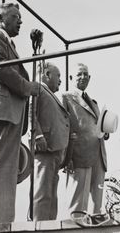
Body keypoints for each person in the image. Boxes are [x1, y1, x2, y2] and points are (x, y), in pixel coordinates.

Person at [0, 3, 40, 224]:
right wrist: (26, 87)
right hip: (2, 112)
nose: (20, 21)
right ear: (1, 17)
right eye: (16, 16)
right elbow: (1, 67)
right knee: (0, 171)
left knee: (7, 172)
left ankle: (4, 223)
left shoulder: (5, 41)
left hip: (9, 113)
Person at [61, 63, 109, 216]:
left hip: (98, 156)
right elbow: (63, 127)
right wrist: (66, 156)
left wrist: (105, 131)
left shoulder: (93, 102)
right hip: (79, 155)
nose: (83, 77)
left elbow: (98, 126)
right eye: (79, 74)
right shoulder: (65, 98)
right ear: (70, 78)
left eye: (86, 74)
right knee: (78, 205)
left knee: (98, 208)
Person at [31, 62, 70, 221]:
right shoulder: (38, 88)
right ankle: (40, 226)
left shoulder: (48, 93)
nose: (60, 80)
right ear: (47, 74)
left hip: (54, 149)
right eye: (58, 76)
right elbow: (30, 112)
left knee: (51, 192)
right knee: (43, 191)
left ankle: (49, 225)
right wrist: (38, 136)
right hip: (45, 148)